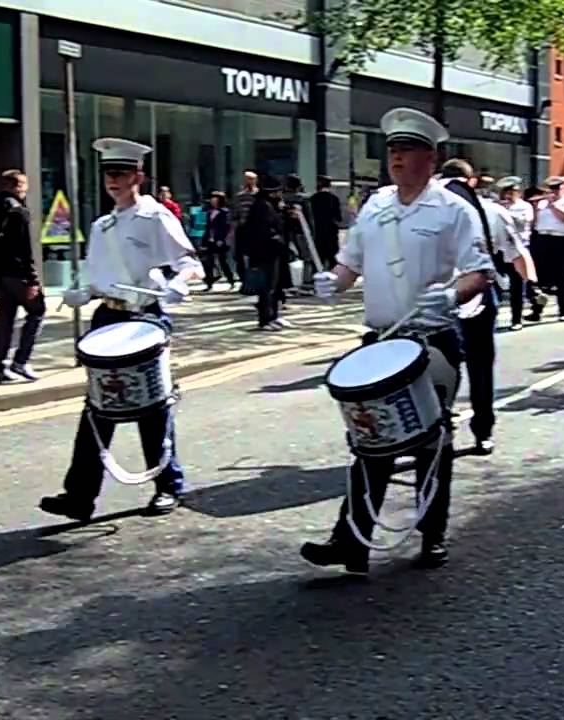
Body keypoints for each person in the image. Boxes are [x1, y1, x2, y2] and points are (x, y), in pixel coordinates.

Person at [301, 107, 493, 573]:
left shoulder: (452, 210)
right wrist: (333, 281)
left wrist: (450, 294)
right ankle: (353, 541)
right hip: (382, 340)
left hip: (432, 339)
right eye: (392, 150)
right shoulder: (375, 207)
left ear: (431, 157)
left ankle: (432, 535)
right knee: (370, 440)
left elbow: (479, 272)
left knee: (431, 441)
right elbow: (352, 264)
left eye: (407, 150)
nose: (397, 158)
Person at [40, 138, 203, 521]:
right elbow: (94, 274)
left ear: (138, 176)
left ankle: (168, 486)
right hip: (108, 318)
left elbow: (189, 262)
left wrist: (180, 284)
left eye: (121, 173)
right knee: (98, 408)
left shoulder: (156, 216)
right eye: (109, 174)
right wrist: (82, 290)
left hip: (144, 317)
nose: (114, 180)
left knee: (152, 406)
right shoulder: (102, 225)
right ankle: (79, 496)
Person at [440, 158, 499, 454]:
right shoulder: (492, 210)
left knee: (442, 369)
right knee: (479, 367)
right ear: (472, 180)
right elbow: (515, 252)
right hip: (473, 298)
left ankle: (441, 430)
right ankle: (482, 431)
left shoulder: (427, 206)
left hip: (442, 300)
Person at [0, 169, 44, 384]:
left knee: (5, 319)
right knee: (37, 311)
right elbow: (24, 249)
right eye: (23, 186)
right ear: (17, 186)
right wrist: (33, 279)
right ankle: (21, 360)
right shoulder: (18, 212)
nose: (25, 191)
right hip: (18, 273)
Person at [529, 176, 564, 322]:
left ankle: (563, 310)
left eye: (558, 188)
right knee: (539, 278)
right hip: (543, 239)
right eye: (552, 188)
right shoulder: (542, 203)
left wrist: (553, 205)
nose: (554, 191)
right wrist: (534, 208)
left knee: (562, 277)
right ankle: (536, 311)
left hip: (562, 240)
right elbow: (534, 223)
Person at [242, 175, 290, 331]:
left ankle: (274, 315)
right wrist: (278, 241)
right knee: (267, 286)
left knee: (274, 285)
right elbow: (265, 230)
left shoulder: (269, 206)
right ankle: (266, 318)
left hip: (271, 251)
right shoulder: (263, 207)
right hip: (266, 252)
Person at [495, 176, 538, 331]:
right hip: (500, 249)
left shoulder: (525, 206)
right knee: (496, 283)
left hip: (518, 249)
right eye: (506, 192)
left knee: (517, 286)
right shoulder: (497, 206)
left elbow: (524, 221)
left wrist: (505, 212)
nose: (508, 195)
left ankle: (517, 319)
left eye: (512, 191)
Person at [200, 191, 235, 290]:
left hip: (220, 240)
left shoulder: (225, 212)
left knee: (223, 261)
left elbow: (226, 227)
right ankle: (209, 283)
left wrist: (222, 239)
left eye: (215, 199)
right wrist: (204, 240)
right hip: (210, 240)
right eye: (212, 199)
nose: (213, 201)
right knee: (208, 262)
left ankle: (231, 279)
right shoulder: (209, 212)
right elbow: (208, 227)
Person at [308, 175, 343, 270]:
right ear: (330, 185)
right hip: (331, 233)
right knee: (333, 259)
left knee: (318, 259)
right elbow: (338, 217)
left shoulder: (313, 199)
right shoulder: (334, 199)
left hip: (317, 233)